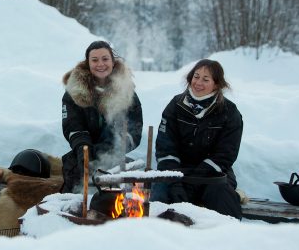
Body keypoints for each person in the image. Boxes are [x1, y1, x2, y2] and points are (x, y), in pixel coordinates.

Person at [154, 59, 243, 219]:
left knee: (221, 196)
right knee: (160, 194)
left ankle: (228, 235)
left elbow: (226, 154)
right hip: (177, 171)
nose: (198, 82)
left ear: (216, 84)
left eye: (205, 79)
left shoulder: (229, 112)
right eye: (196, 76)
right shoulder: (175, 105)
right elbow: (165, 148)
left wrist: (194, 181)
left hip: (213, 174)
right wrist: (175, 182)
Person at [61, 41, 143, 193]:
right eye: (95, 60)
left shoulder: (127, 93)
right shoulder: (74, 92)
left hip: (114, 155)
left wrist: (109, 148)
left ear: (113, 62)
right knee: (75, 182)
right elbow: (73, 126)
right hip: (83, 154)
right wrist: (83, 149)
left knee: (126, 191)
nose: (100, 64)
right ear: (88, 63)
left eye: (105, 59)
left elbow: (134, 130)